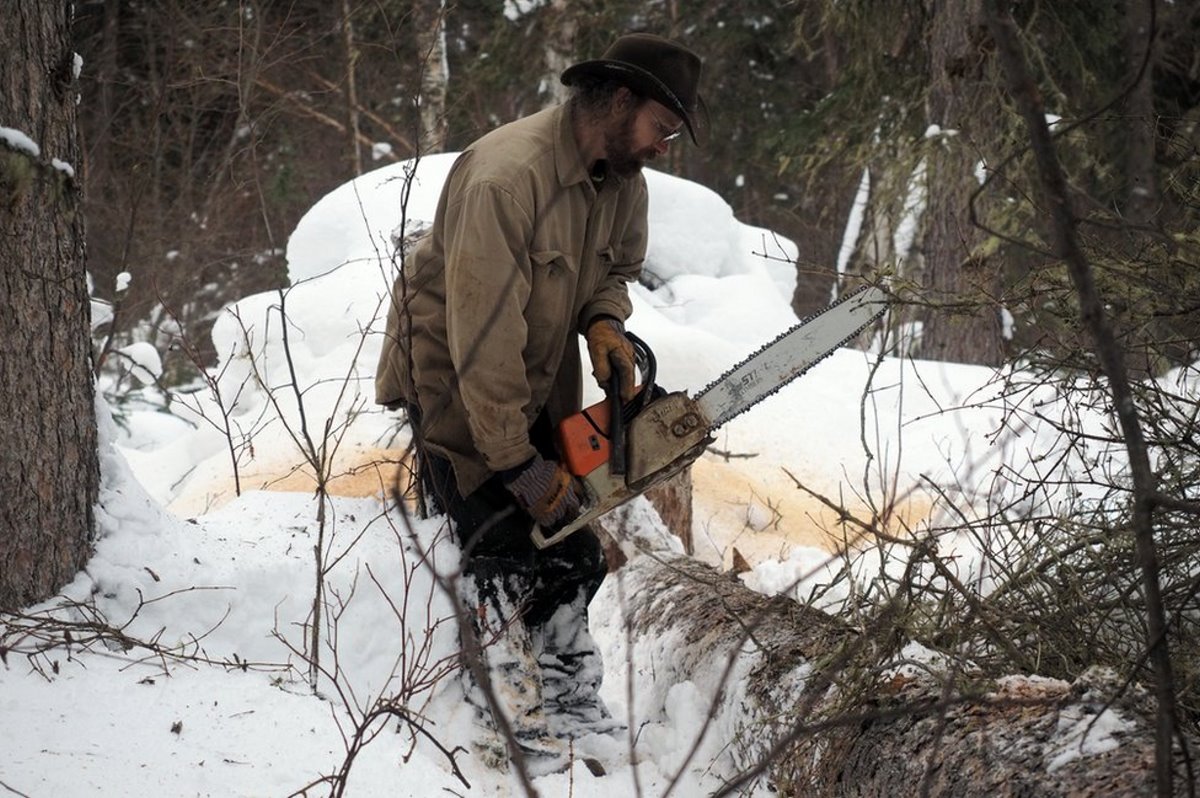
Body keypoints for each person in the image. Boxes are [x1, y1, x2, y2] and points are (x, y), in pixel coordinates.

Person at [375, 32, 706, 770]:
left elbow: (613, 270)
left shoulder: (622, 180)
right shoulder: (506, 178)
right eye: (662, 127)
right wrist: (518, 464)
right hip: (454, 378)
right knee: (496, 543)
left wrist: (603, 324)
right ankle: (508, 717)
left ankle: (568, 695)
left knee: (574, 545)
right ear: (619, 101)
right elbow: (479, 336)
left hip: (533, 371)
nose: (663, 146)